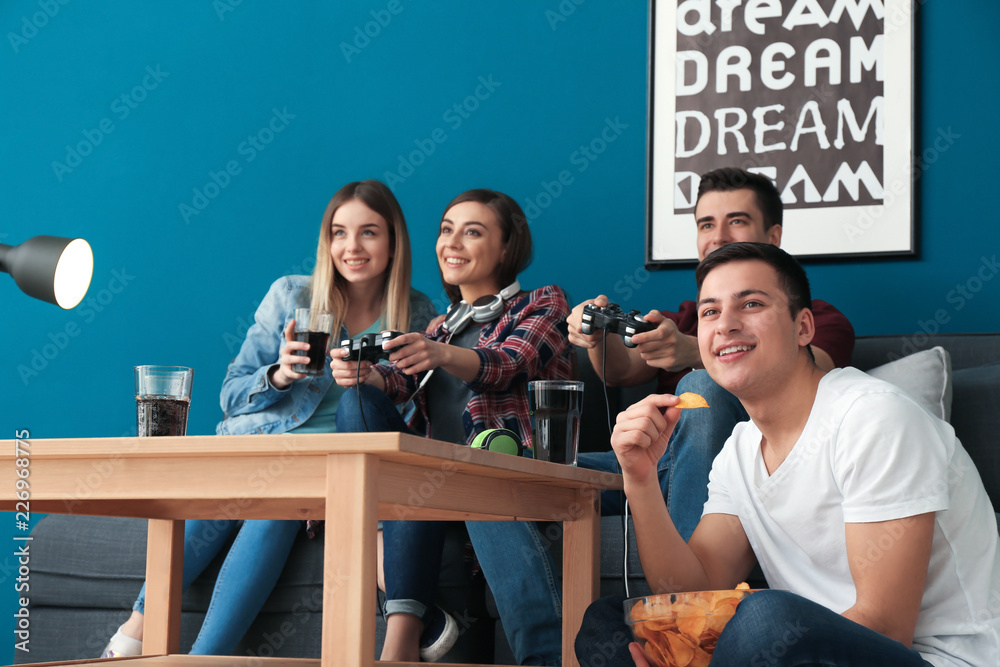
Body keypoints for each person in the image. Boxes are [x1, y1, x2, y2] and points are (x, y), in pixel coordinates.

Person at [576, 242, 1000, 666]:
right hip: (803, 652)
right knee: (608, 621)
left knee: (764, 617)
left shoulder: (874, 417)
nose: (725, 325)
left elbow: (885, 627)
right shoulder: (740, 450)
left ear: (803, 328)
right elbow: (693, 592)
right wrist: (641, 479)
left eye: (752, 303)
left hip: (931, 658)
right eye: (710, 312)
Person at [100, 179, 436, 658]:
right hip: (264, 444)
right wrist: (279, 373)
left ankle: (191, 655)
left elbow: (411, 418)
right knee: (257, 500)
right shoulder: (291, 295)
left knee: (280, 506)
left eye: (368, 233)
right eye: (339, 233)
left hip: (337, 469)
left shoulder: (420, 314)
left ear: (393, 242)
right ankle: (135, 634)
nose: (351, 247)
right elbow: (230, 396)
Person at [332, 188, 572, 665]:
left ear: (506, 248)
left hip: (500, 479)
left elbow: (510, 362)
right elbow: (397, 382)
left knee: (418, 481)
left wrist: (441, 354)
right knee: (357, 401)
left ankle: (399, 626)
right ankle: (404, 628)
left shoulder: (542, 303)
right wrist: (368, 375)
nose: (452, 242)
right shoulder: (440, 326)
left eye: (473, 231)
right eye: (446, 230)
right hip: (430, 492)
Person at [570, 168, 855, 539]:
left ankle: (693, 590)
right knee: (500, 468)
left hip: (737, 464)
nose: (718, 236)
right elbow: (621, 373)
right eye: (706, 224)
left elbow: (805, 368)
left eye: (736, 221)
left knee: (703, 385)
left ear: (774, 236)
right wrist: (595, 333)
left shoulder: (815, 317)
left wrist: (692, 351)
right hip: (656, 461)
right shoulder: (684, 316)